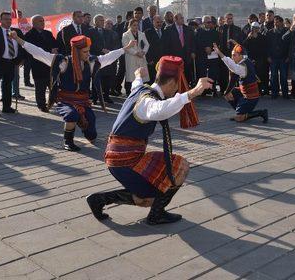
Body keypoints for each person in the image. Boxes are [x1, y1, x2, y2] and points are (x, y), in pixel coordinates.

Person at [86, 59, 211, 224]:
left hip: (122, 156)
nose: (178, 89)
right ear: (173, 81)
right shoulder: (148, 101)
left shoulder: (141, 89)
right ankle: (155, 214)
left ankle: (100, 199)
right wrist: (192, 93)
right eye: (179, 84)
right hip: (124, 161)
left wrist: (138, 75)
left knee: (159, 184)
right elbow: (159, 110)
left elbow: (136, 83)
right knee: (178, 169)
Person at [12, 32, 134, 151]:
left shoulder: (91, 62)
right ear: (76, 51)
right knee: (72, 115)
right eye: (85, 51)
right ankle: (68, 141)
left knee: (92, 130)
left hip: (83, 101)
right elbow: (38, 52)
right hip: (65, 100)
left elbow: (109, 57)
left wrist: (126, 48)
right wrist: (18, 40)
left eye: (88, 50)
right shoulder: (63, 62)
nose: (88, 54)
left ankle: (88, 132)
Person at [214, 43, 268, 122]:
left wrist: (219, 53)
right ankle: (241, 112)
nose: (232, 57)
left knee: (239, 119)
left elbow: (231, 65)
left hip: (250, 97)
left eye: (234, 55)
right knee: (227, 95)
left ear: (240, 55)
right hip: (244, 92)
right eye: (232, 55)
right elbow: (231, 67)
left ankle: (260, 113)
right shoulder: (245, 60)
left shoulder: (242, 67)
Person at [23, 15, 57, 111]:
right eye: (40, 21)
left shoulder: (48, 33)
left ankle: (54, 101)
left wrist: (55, 49)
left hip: (50, 64)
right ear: (33, 23)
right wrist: (50, 49)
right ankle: (41, 105)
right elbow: (34, 49)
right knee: (40, 86)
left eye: (43, 21)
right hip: (38, 64)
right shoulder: (29, 35)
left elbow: (55, 44)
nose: (42, 23)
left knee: (53, 85)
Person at [165, 14, 196, 84]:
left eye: (183, 18)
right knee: (176, 74)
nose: (183, 19)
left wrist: (193, 52)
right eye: (181, 18)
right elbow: (167, 44)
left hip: (187, 55)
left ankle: (186, 88)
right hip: (174, 56)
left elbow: (192, 42)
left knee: (187, 73)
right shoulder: (169, 29)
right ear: (175, 19)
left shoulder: (188, 29)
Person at [218, 13, 245, 93]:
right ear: (225, 19)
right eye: (228, 18)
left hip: (234, 53)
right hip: (223, 52)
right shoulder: (220, 29)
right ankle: (224, 89)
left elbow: (241, 42)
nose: (229, 20)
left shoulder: (237, 29)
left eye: (231, 18)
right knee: (224, 71)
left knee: (234, 71)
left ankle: (235, 89)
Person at [122, 19, 150, 95]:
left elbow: (147, 44)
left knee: (142, 75)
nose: (136, 27)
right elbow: (126, 47)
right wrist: (136, 53)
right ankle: (130, 93)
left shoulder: (141, 34)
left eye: (137, 25)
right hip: (131, 57)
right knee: (132, 76)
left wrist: (143, 52)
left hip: (141, 57)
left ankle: (142, 92)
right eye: (134, 25)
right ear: (130, 26)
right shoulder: (125, 35)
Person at [195, 15, 221, 93]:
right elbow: (197, 43)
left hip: (212, 55)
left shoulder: (215, 32)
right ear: (203, 23)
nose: (210, 24)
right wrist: (205, 48)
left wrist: (210, 47)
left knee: (213, 72)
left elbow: (217, 41)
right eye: (208, 22)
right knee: (202, 72)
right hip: (202, 55)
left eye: (210, 22)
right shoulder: (198, 32)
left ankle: (212, 88)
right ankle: (203, 90)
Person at [267, 15, 290, 99]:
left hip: (283, 58)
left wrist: (288, 56)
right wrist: (268, 56)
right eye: (274, 22)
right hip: (273, 58)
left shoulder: (286, 31)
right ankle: (274, 93)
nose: (275, 23)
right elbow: (267, 46)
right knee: (273, 76)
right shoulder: (270, 32)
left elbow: (289, 45)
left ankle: (285, 94)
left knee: (283, 77)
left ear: (281, 22)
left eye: (277, 22)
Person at [244, 22, 269, 95]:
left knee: (260, 75)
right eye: (253, 28)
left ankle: (259, 90)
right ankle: (251, 90)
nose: (254, 30)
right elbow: (244, 45)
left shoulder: (262, 37)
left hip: (260, 59)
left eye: (256, 28)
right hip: (250, 58)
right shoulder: (248, 37)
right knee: (250, 75)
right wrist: (248, 38)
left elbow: (264, 48)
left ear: (258, 29)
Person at [100, 18, 121, 104]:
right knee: (101, 78)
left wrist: (112, 52)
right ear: (104, 24)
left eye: (111, 24)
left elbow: (118, 45)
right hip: (103, 58)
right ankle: (100, 95)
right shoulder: (100, 33)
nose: (109, 25)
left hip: (112, 58)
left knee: (110, 78)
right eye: (107, 23)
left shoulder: (115, 33)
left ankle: (107, 95)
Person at [144, 15, 166, 81]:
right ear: (153, 22)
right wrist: (149, 59)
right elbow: (144, 47)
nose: (159, 24)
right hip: (152, 61)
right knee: (153, 80)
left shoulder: (165, 31)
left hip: (163, 60)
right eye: (157, 22)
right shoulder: (147, 32)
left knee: (162, 80)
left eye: (161, 22)